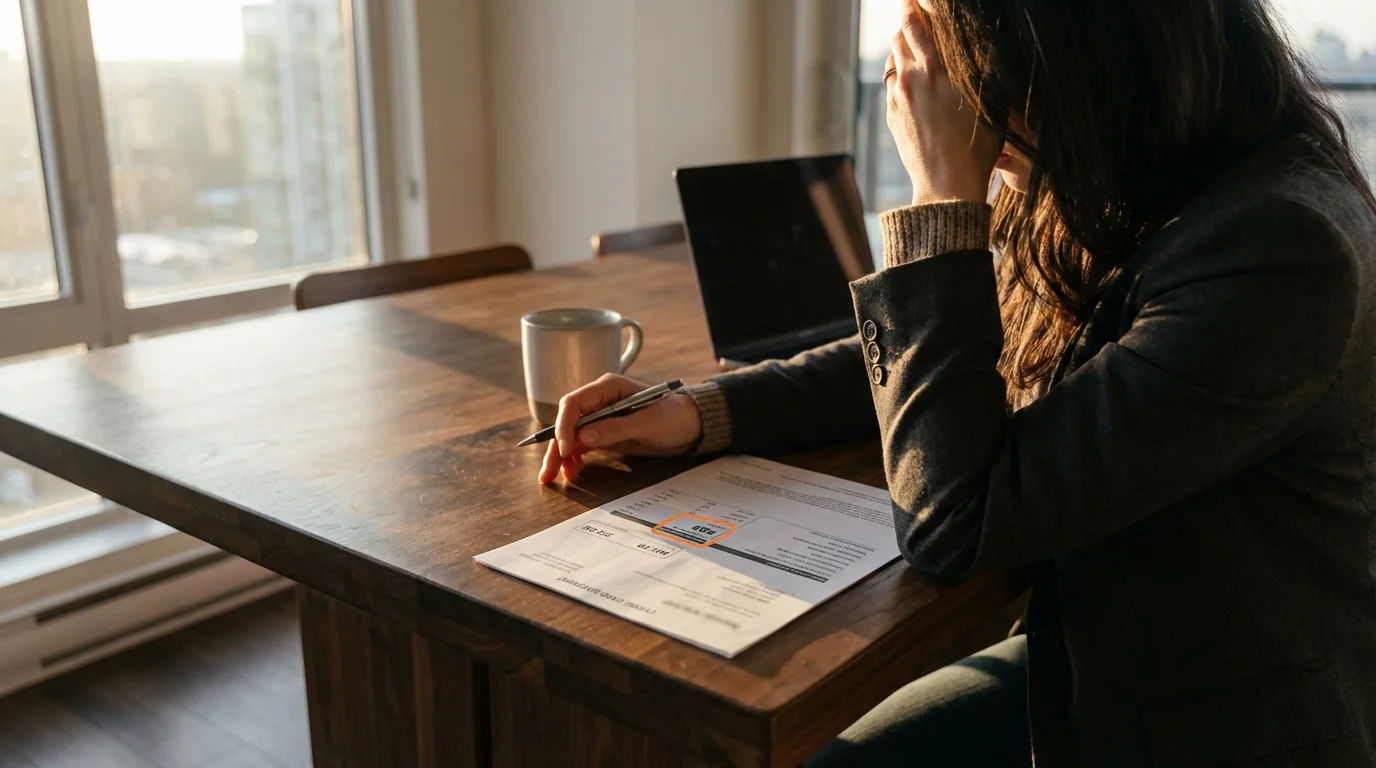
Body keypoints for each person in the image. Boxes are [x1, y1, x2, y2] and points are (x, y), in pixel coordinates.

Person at [537, 0, 1376, 764]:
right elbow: (953, 352)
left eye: (982, 77)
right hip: (1092, 655)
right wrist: (702, 410)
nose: (969, 113)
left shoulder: (1277, 249)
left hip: (1210, 722)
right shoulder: (1147, 172)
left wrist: (942, 197)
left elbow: (957, 521)